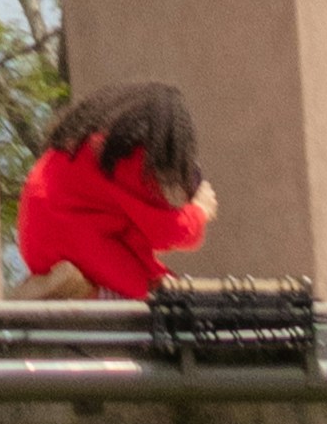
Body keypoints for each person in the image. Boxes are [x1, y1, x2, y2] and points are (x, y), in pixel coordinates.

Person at [13, 83, 214, 302]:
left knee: (165, 287)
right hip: (85, 259)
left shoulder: (72, 147)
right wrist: (200, 210)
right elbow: (165, 231)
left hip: (45, 259)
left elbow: (132, 233)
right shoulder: (124, 156)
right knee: (166, 304)